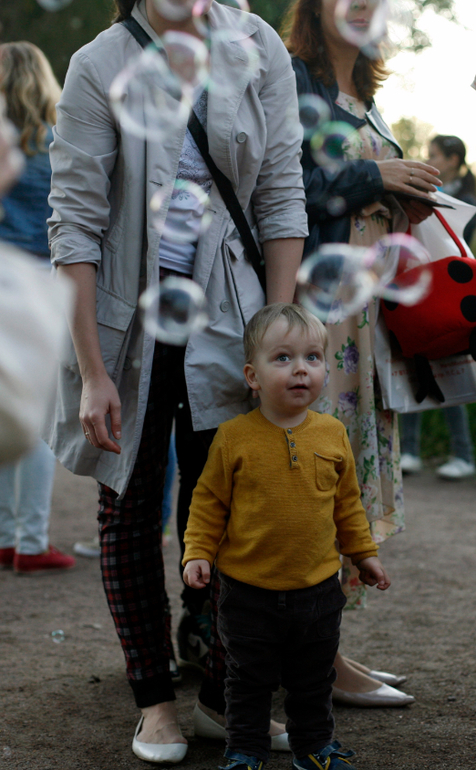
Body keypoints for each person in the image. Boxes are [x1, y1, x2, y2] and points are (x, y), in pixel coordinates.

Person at [46, 0, 308, 762]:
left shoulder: (256, 43)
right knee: (129, 506)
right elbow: (75, 222)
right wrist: (93, 372)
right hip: (128, 327)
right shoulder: (99, 63)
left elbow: (281, 190)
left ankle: (224, 697)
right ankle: (154, 702)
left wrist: (277, 335)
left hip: (233, 319)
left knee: (237, 505)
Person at [282, 0, 440, 706]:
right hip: (324, 317)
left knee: (346, 477)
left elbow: (359, 194)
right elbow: (289, 191)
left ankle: (329, 649)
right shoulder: (295, 79)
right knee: (320, 477)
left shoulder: (366, 97)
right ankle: (319, 661)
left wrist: (407, 199)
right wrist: (379, 179)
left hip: (370, 318)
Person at [183, 303, 391, 770]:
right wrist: (197, 552)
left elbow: (348, 505)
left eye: (313, 357)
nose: (301, 369)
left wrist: (364, 553)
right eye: (283, 358)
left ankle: (314, 748)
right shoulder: (233, 437)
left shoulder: (333, 433)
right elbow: (208, 503)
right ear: (252, 376)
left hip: (317, 590)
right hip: (246, 592)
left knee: (313, 679)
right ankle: (245, 751)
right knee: (248, 680)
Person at [0, 42, 75, 574]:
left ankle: (5, 536)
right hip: (40, 290)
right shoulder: (57, 143)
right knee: (39, 418)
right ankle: (31, 542)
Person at [400, 135, 476, 481]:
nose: (429, 160)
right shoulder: (435, 191)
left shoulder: (465, 199)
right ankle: (410, 451)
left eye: (434, 155)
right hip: (428, 288)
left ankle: (462, 454)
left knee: (450, 370)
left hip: (451, 294)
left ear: (453, 159)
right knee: (415, 367)